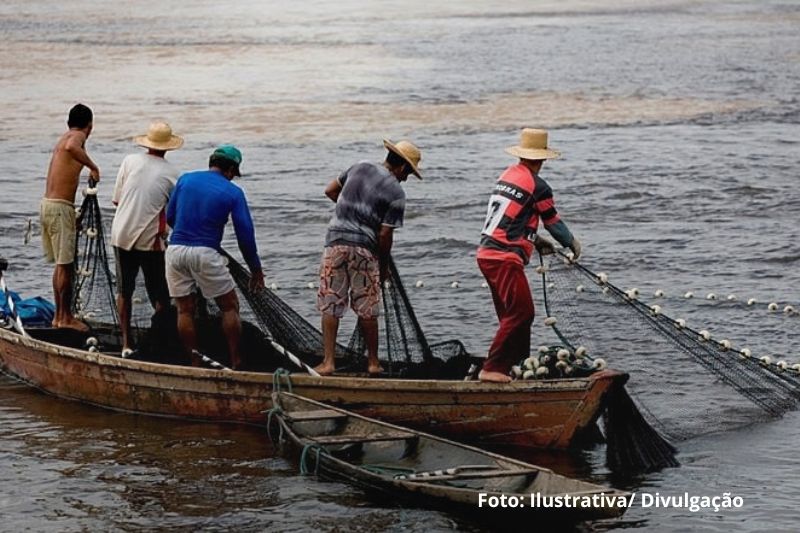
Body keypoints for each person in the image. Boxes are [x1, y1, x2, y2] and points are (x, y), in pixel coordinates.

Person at [476, 128, 582, 383]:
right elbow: (553, 222)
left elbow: (513, 217)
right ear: (542, 159)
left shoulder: (508, 175)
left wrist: (536, 241)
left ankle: (517, 364)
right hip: (505, 258)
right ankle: (491, 369)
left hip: (486, 254)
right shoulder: (538, 186)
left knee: (510, 315)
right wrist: (572, 243)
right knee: (522, 314)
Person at [315, 139, 422, 376]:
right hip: (364, 249)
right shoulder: (397, 192)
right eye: (409, 174)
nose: (406, 179)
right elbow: (385, 235)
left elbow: (330, 190)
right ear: (403, 168)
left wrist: (350, 210)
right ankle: (373, 363)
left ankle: (328, 362)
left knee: (331, 303)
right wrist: (383, 266)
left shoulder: (359, 166)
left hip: (335, 243)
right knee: (367, 308)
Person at [165, 145, 264, 370]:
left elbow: (170, 216)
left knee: (184, 310)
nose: (232, 177)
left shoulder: (185, 179)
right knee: (229, 307)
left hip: (175, 249)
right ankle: (236, 361)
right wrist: (255, 269)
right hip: (206, 253)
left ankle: (195, 361)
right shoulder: (233, 192)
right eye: (233, 173)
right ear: (230, 169)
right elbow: (245, 236)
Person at [110, 122, 184, 356]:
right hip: (150, 241)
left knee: (124, 291)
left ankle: (126, 343)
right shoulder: (173, 174)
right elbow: (173, 213)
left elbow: (117, 200)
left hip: (120, 233)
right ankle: (160, 342)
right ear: (168, 147)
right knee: (160, 295)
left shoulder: (129, 161)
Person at [41, 103, 100, 332]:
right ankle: (64, 318)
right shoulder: (76, 137)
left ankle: (59, 316)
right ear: (90, 126)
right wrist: (93, 167)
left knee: (62, 265)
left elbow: (68, 148)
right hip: (59, 208)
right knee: (65, 265)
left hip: (49, 205)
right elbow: (72, 146)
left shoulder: (63, 137)